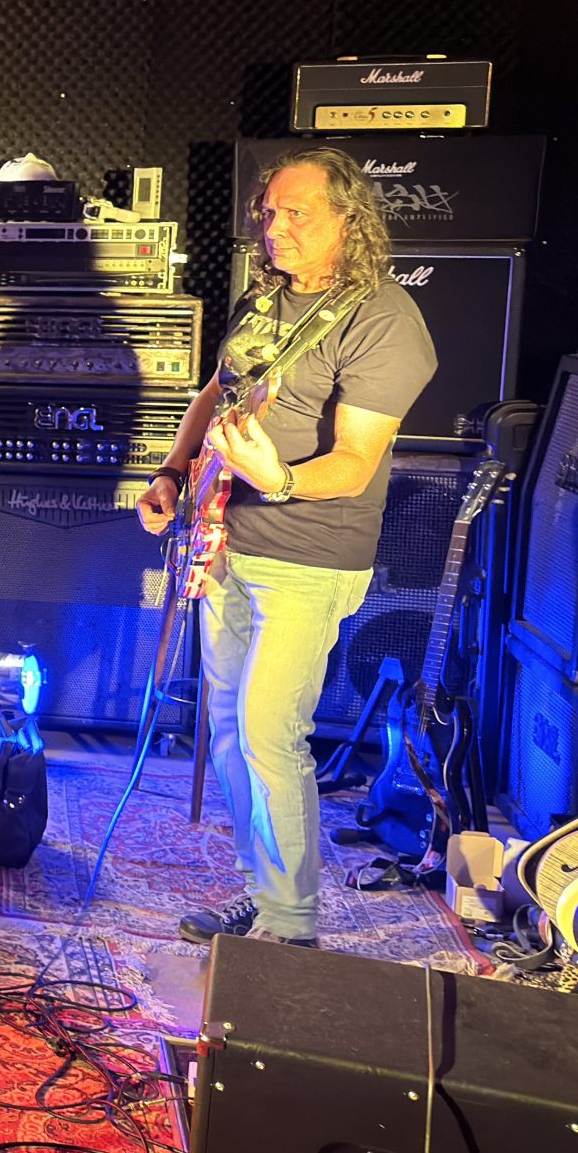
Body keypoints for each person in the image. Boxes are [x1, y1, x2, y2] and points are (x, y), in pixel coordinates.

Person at [138, 146, 435, 949]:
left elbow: (357, 462)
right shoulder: (264, 296)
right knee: (231, 732)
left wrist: (281, 479)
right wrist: (172, 472)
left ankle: (293, 934)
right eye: (269, 212)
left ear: (349, 219)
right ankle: (263, 896)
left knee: (270, 732)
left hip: (309, 558)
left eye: (297, 213)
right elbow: (217, 392)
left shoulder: (383, 320)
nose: (276, 227)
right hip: (225, 544)